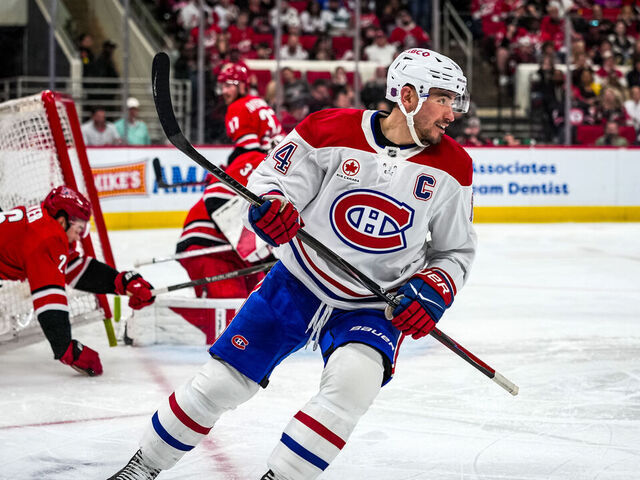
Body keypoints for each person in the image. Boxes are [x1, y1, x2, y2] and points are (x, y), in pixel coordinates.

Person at [108, 48, 476, 480]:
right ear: (409, 97)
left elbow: (454, 252)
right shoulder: (328, 128)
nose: (453, 114)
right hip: (297, 281)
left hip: (375, 305)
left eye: (455, 101)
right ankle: (141, 467)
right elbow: (270, 182)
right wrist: (273, 208)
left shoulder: (455, 167)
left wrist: (433, 289)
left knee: (352, 386)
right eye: (445, 100)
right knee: (223, 382)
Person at [0, 186, 155, 376]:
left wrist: (119, 282)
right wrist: (67, 350)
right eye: (79, 228)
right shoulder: (47, 237)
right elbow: (49, 301)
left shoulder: (45, 221)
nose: (79, 236)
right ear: (63, 220)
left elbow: (72, 269)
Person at [174, 151, 273, 342]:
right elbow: (217, 194)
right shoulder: (259, 158)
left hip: (239, 257)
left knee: (255, 310)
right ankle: (155, 316)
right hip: (209, 245)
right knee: (230, 321)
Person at [218, 63, 284, 164]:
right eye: (222, 87)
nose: (224, 91)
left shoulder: (237, 107)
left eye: (228, 86)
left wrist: (230, 165)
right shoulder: (257, 100)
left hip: (269, 160)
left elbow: (250, 150)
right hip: (284, 156)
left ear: (242, 86)